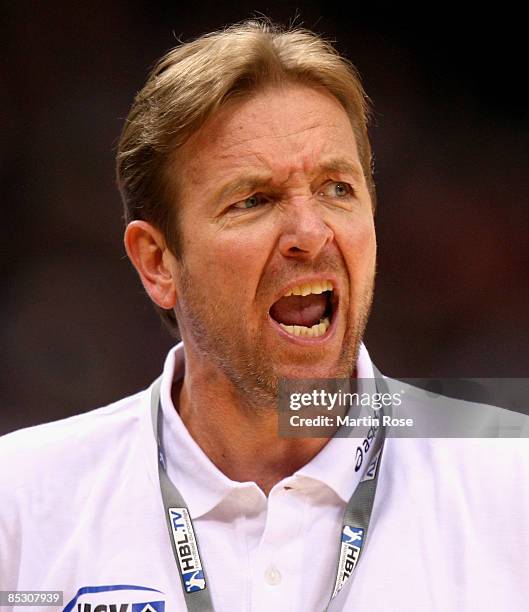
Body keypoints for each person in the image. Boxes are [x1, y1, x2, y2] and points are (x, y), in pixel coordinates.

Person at [1, 19, 528, 612]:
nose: (310, 232)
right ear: (157, 263)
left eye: (337, 189)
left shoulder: (512, 482)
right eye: (253, 200)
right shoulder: (21, 503)